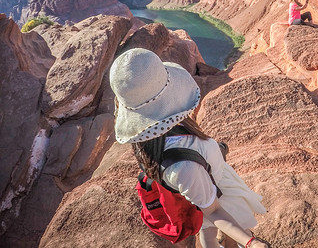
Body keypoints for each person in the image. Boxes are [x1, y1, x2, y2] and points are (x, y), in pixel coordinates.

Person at [109, 48, 269, 248]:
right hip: (216, 191)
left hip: (203, 188)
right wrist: (251, 243)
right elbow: (213, 210)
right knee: (228, 227)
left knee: (208, 232)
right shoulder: (185, 168)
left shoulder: (150, 141)